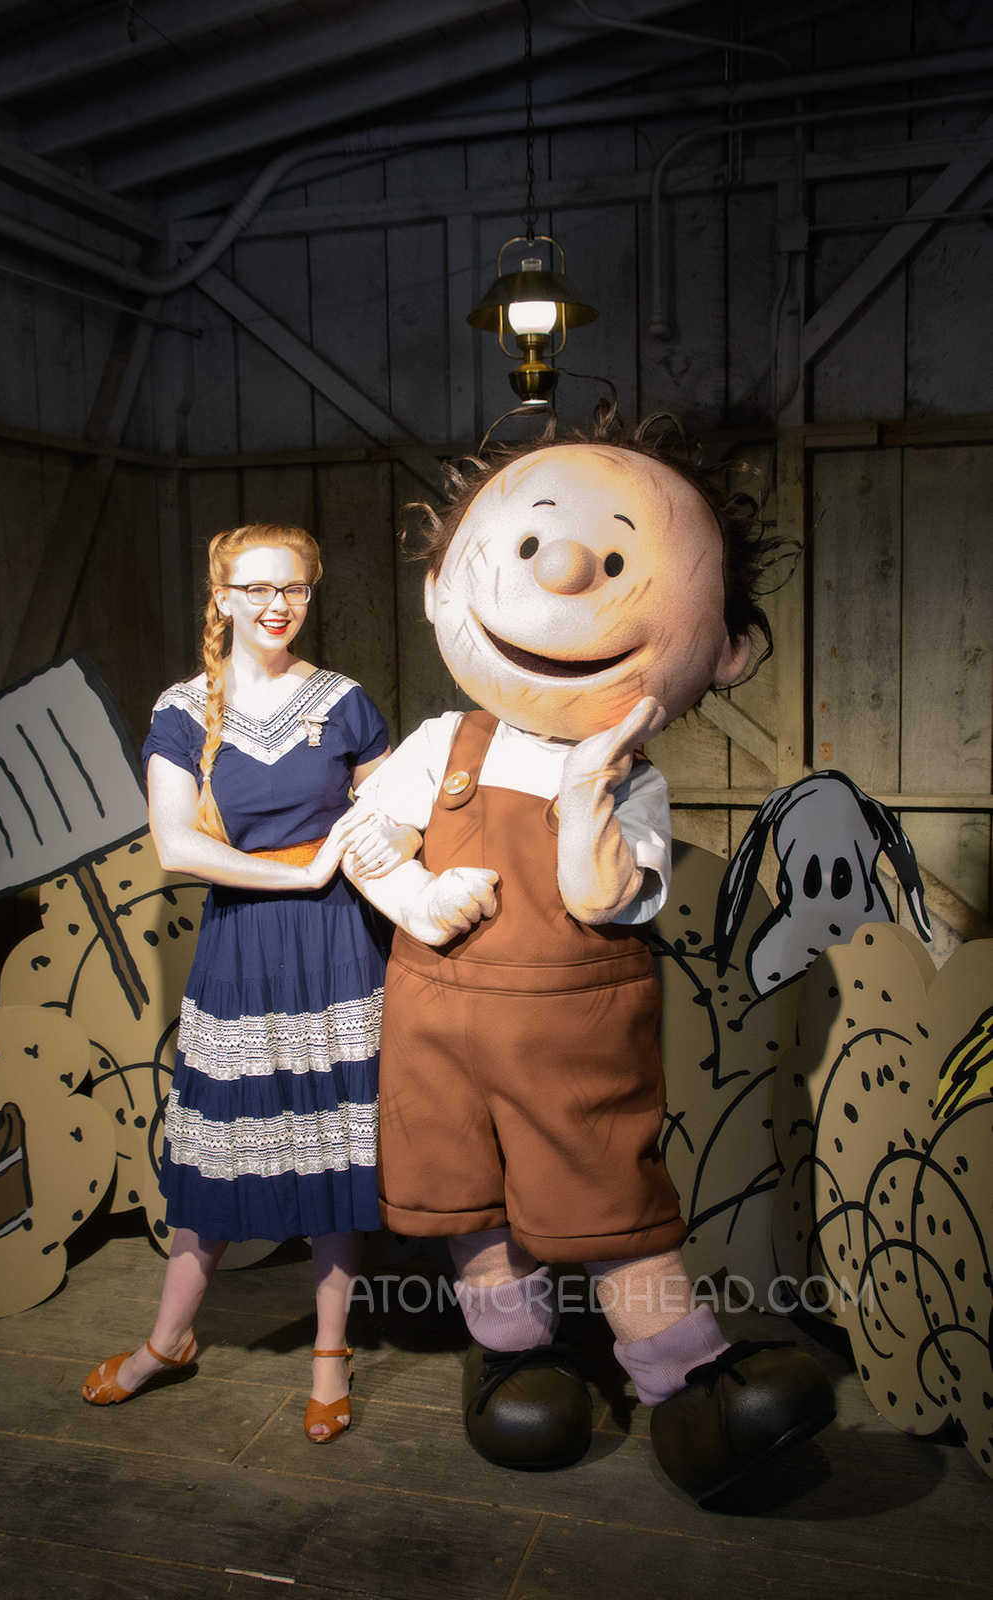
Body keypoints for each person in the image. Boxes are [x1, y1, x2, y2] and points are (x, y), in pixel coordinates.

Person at [346, 419, 835, 1500]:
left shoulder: (632, 786)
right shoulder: (442, 745)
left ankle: (680, 1376)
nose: (564, 567)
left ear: (726, 653)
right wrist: (415, 897)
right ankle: (510, 1351)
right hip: (436, 1025)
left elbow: (598, 895)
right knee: (467, 1198)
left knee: (612, 1201)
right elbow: (362, 838)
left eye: (614, 558)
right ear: (437, 588)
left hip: (573, 1041)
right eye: (529, 545)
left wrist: (586, 793)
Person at [82, 522, 415, 1442]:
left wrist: (377, 844)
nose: (278, 605)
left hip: (339, 946)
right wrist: (301, 873)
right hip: (243, 946)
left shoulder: (344, 702)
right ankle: (167, 1342)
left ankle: (330, 1354)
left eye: (295, 588)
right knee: (216, 1154)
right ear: (222, 598)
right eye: (258, 589)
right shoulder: (184, 709)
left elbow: (395, 817)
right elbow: (175, 846)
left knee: (335, 1153)